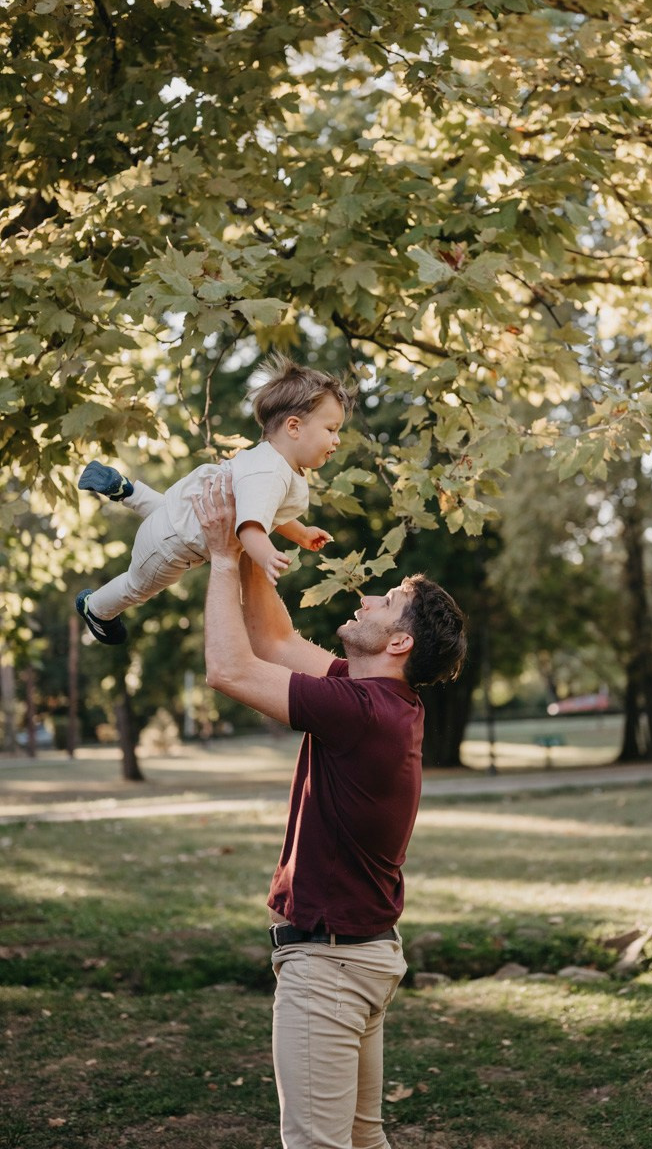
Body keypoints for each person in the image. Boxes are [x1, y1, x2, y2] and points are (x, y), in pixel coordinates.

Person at [191, 472, 467, 1149]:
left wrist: (222, 559)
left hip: (330, 970)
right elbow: (274, 640)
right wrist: (250, 535)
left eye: (387, 602)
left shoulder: (362, 711)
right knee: (363, 1141)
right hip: (359, 959)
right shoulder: (379, 700)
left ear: (398, 643)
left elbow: (230, 669)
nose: (367, 598)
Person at [74, 356, 355, 645]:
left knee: (173, 518)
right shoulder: (271, 474)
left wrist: (302, 534)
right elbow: (251, 527)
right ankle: (96, 609)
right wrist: (267, 555)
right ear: (293, 427)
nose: (337, 440)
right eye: (331, 429)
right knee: (136, 587)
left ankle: (127, 491)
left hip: (176, 515)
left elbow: (265, 512)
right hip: (171, 546)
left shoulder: (266, 461)